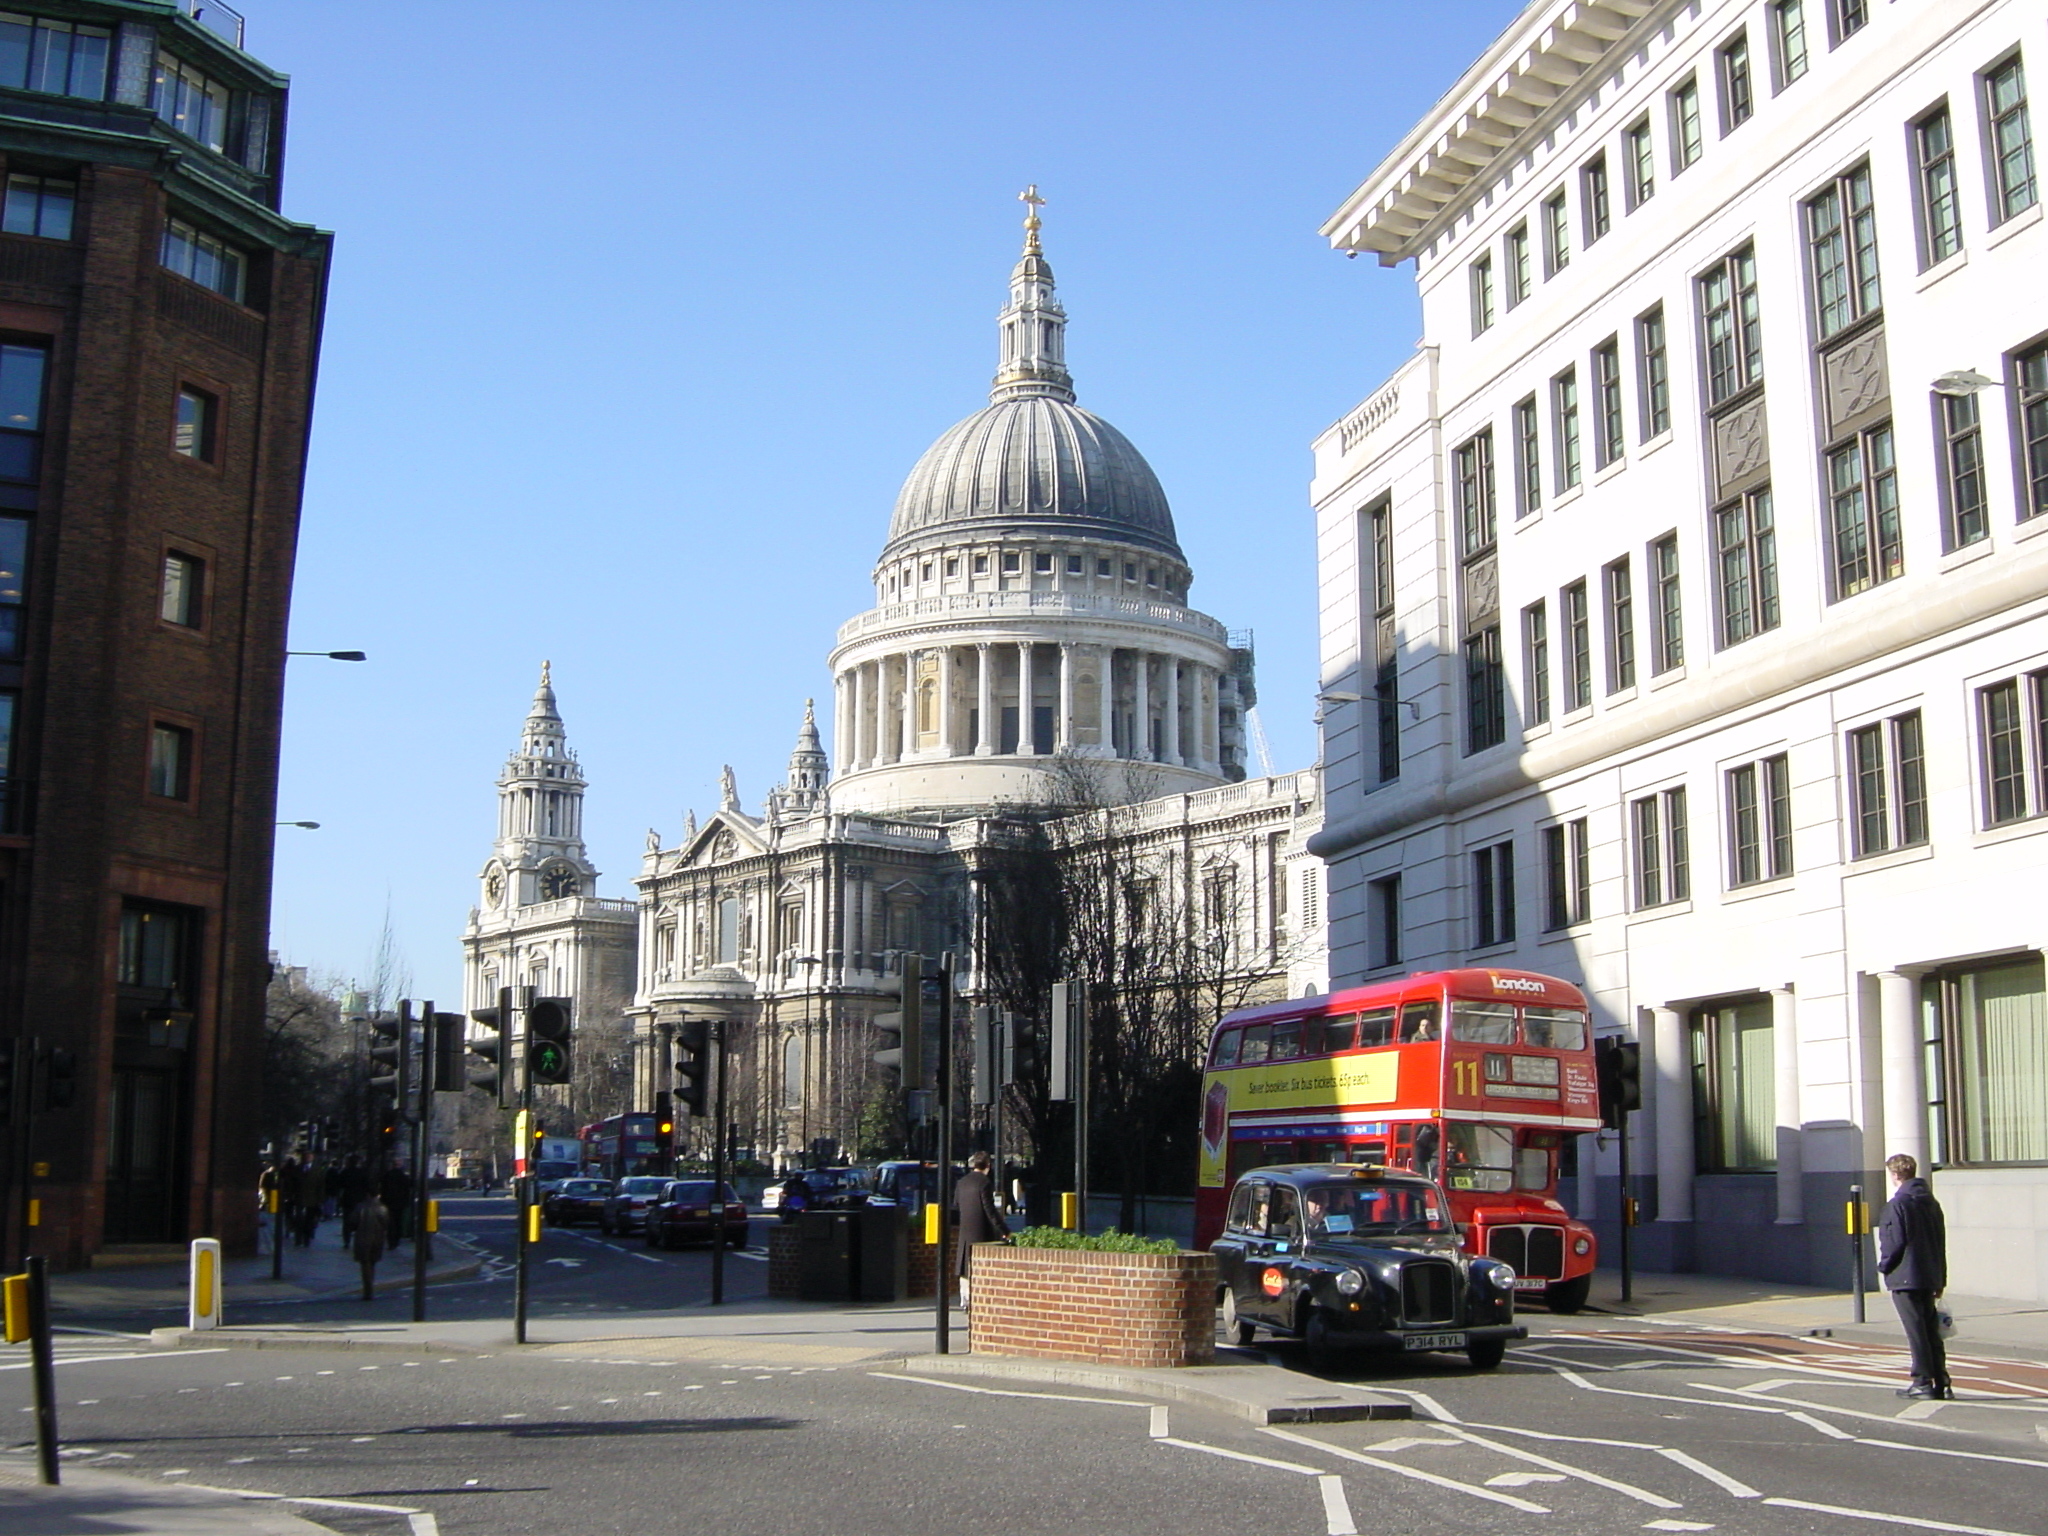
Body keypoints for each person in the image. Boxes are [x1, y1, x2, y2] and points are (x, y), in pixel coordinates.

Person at [1877, 1152, 1951, 1400]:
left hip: (1905, 1275)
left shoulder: (1897, 1204)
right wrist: (1941, 1278)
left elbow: (1893, 1242)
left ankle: (1922, 1382)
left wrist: (1884, 1266)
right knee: (1931, 1330)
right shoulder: (1931, 1203)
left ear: (1894, 1174)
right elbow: (1940, 1242)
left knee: (1916, 1330)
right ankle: (1941, 1380)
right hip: (1930, 1274)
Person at [954, 1150, 1012, 1310]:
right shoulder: (984, 1183)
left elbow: (957, 1204)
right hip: (981, 1231)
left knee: (965, 1265)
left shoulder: (961, 1182)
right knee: (979, 1265)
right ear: (988, 1165)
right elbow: (990, 1210)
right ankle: (978, 1299)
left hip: (965, 1230)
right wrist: (1004, 1230)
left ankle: (965, 1299)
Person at [352, 1192, 389, 1302]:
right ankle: (370, 1288)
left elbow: (352, 1222)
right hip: (377, 1238)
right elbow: (386, 1223)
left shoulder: (360, 1207)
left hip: (362, 1238)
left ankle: (367, 1290)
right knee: (372, 1263)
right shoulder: (382, 1208)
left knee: (365, 1264)